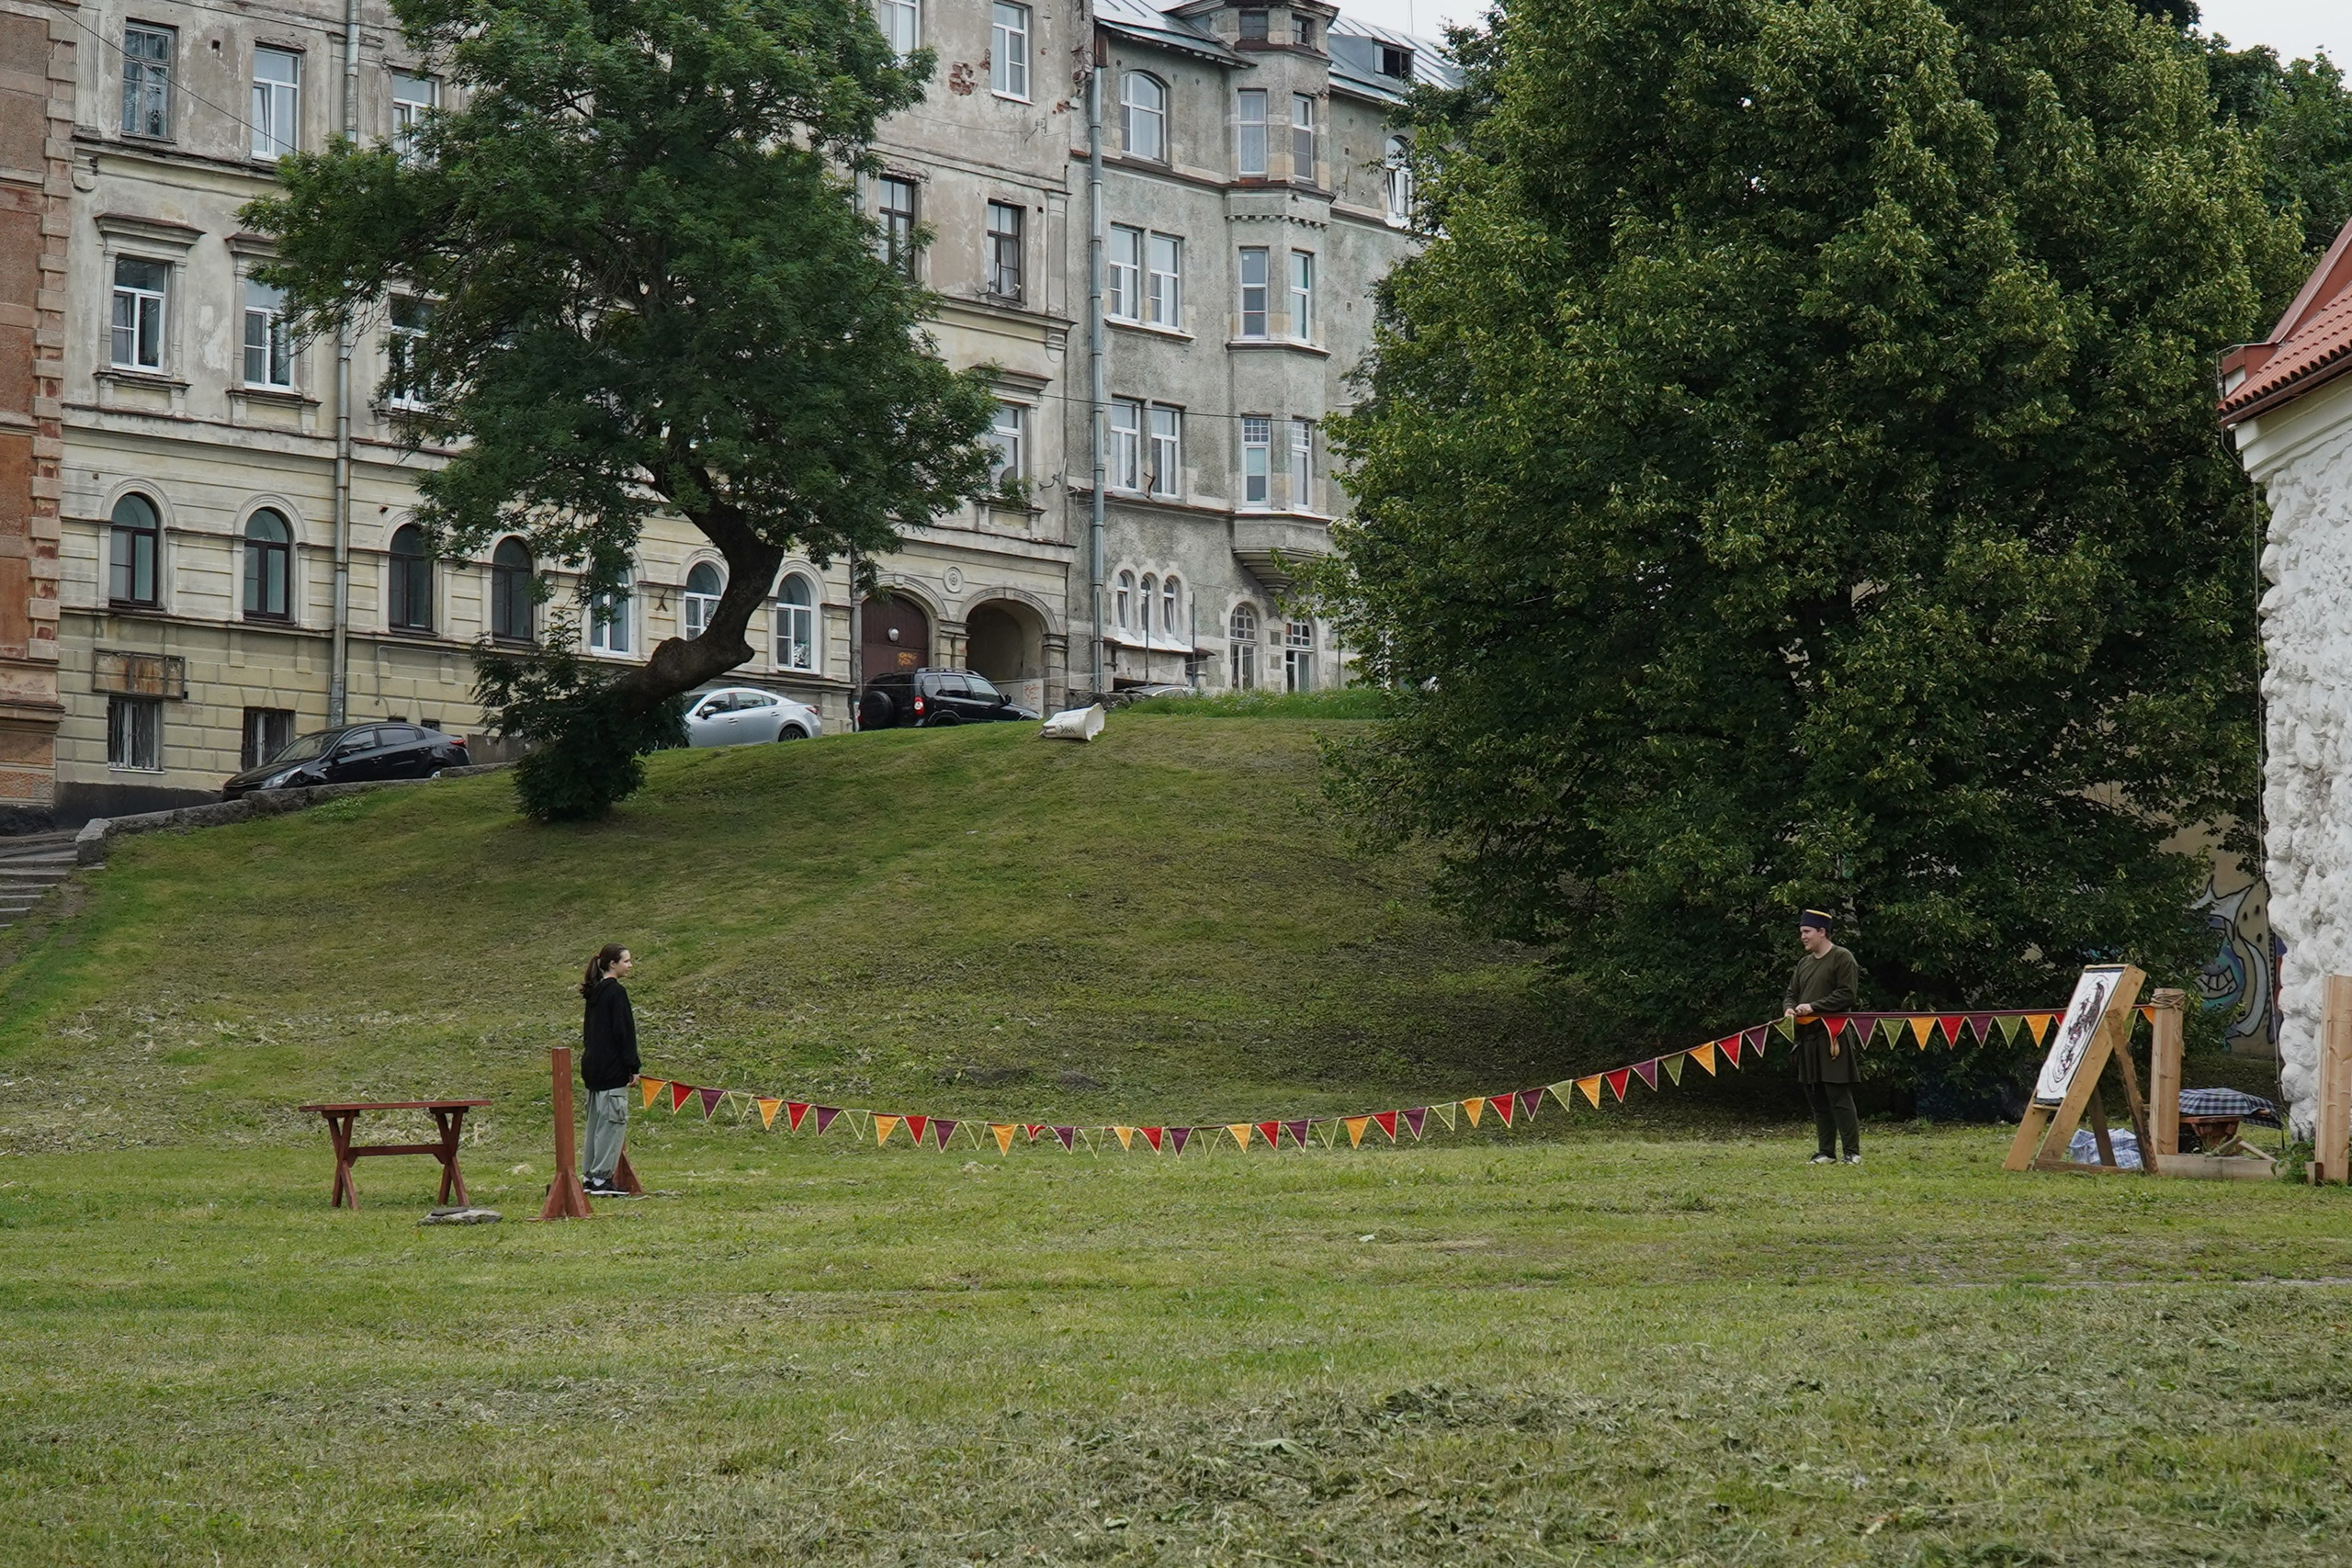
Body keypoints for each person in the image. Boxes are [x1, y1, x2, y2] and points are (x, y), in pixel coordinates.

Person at [1784, 909, 1861, 1166]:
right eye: (1801, 932)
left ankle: (1852, 1152)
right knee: (1815, 1095)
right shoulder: (1803, 964)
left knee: (1838, 1095)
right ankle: (1826, 1152)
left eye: (1807, 932)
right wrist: (1789, 1009)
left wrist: (1814, 1007)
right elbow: (1791, 994)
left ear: (1822, 932)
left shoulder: (1842, 957)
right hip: (1807, 1038)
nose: (1803, 937)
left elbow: (1847, 994)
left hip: (1833, 1037)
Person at [579, 942, 639, 1196]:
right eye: (626, 961)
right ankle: (602, 1179)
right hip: (612, 1070)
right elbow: (624, 1032)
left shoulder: (594, 992)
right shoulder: (616, 992)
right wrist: (633, 1066)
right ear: (612, 964)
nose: (630, 965)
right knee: (612, 1123)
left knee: (595, 1125)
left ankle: (589, 1175)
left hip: (593, 1067)